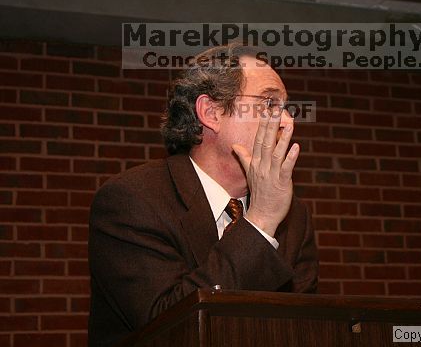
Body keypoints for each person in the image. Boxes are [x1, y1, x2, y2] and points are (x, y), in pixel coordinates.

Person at [87, 44, 319, 347]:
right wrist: (260, 222)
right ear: (211, 113)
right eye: (269, 104)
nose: (288, 121)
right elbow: (169, 328)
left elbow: (306, 328)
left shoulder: (294, 215)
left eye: (285, 107)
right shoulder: (132, 201)